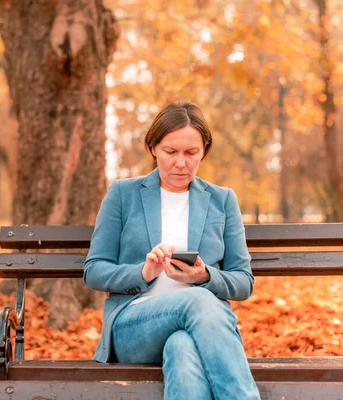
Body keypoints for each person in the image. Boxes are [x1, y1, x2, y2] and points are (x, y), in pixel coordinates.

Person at [83, 101, 260, 399]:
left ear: (204, 150)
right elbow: (94, 270)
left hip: (201, 329)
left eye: (191, 153)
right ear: (153, 147)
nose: (181, 163)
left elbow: (244, 282)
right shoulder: (122, 194)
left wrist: (205, 276)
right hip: (133, 327)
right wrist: (143, 271)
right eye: (170, 152)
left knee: (182, 346)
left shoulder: (222, 200)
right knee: (196, 301)